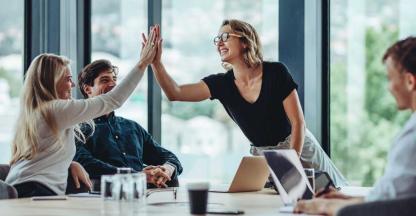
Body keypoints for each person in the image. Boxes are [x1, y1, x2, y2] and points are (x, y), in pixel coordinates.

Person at [145, 20, 347, 186]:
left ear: (244, 41)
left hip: (299, 147)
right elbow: (175, 92)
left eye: (225, 37)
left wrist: (289, 166)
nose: (219, 43)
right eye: (217, 39)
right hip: (264, 159)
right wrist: (156, 63)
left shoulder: (276, 72)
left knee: (334, 195)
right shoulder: (221, 84)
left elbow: (298, 123)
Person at [5, 27, 159, 198]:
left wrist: (70, 163)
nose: (72, 85)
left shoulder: (37, 112)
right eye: (68, 79)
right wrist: (143, 63)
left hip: (23, 189)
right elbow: (113, 100)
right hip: (34, 192)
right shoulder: (54, 109)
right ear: (51, 81)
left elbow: (42, 156)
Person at [294, 37, 416, 215]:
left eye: (390, 79)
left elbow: (392, 207)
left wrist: (324, 206)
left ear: (410, 81)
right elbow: (397, 198)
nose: (389, 88)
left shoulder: (412, 139)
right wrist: (347, 199)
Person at [74, 59, 183, 188]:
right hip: (105, 198)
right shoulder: (78, 130)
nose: (113, 84)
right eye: (105, 80)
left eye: (114, 79)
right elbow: (86, 164)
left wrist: (166, 170)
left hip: (146, 198)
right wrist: (137, 176)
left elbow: (170, 158)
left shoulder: (132, 127)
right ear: (87, 89)